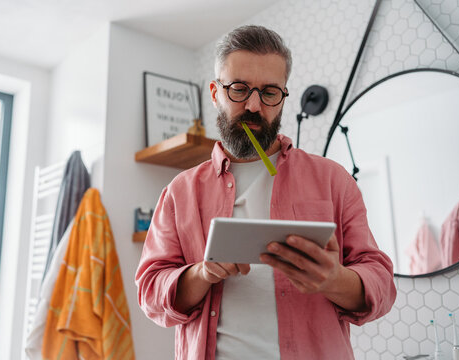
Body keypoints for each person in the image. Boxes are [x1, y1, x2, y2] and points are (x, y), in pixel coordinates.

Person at [135, 25, 396, 360]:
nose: (254, 106)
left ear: (284, 96)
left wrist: (334, 279)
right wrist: (202, 273)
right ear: (215, 93)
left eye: (270, 92)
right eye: (239, 89)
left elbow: (383, 286)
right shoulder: (179, 192)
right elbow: (149, 292)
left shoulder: (333, 179)